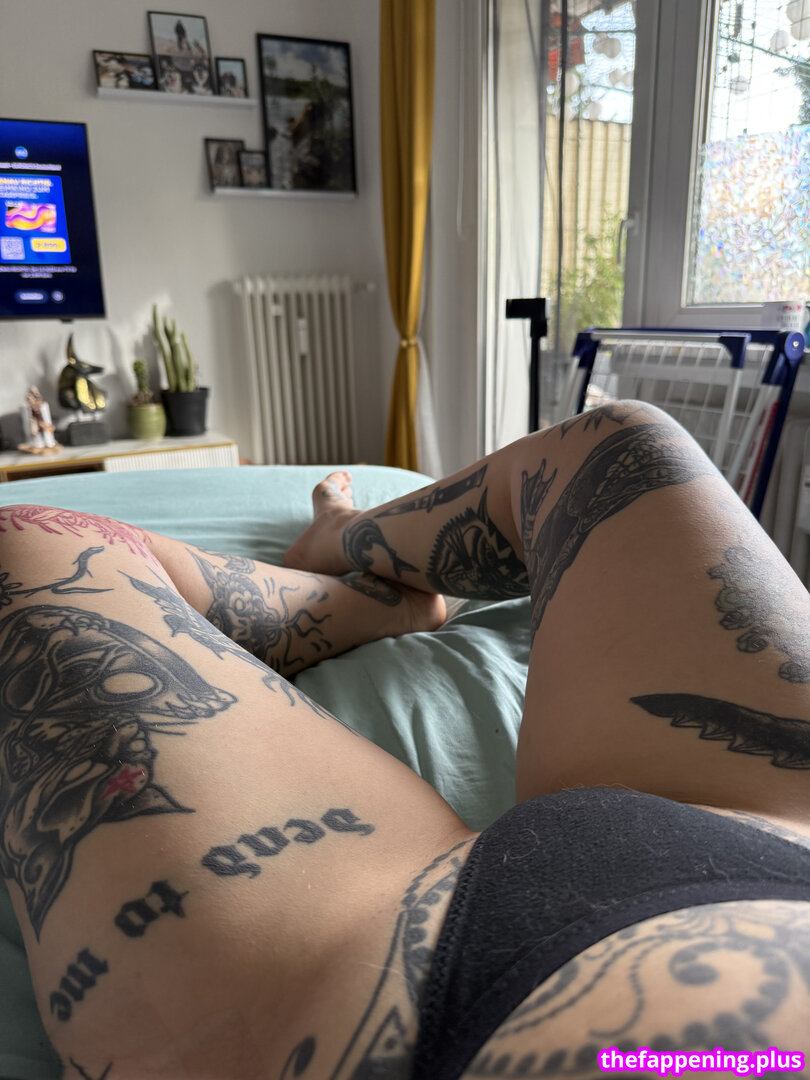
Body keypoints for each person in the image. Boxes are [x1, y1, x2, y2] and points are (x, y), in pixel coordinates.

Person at [1, 400, 809, 1080]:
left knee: (30, 542)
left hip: (395, 1002)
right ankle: (344, 542)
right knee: (622, 445)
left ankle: (371, 602)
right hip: (772, 842)